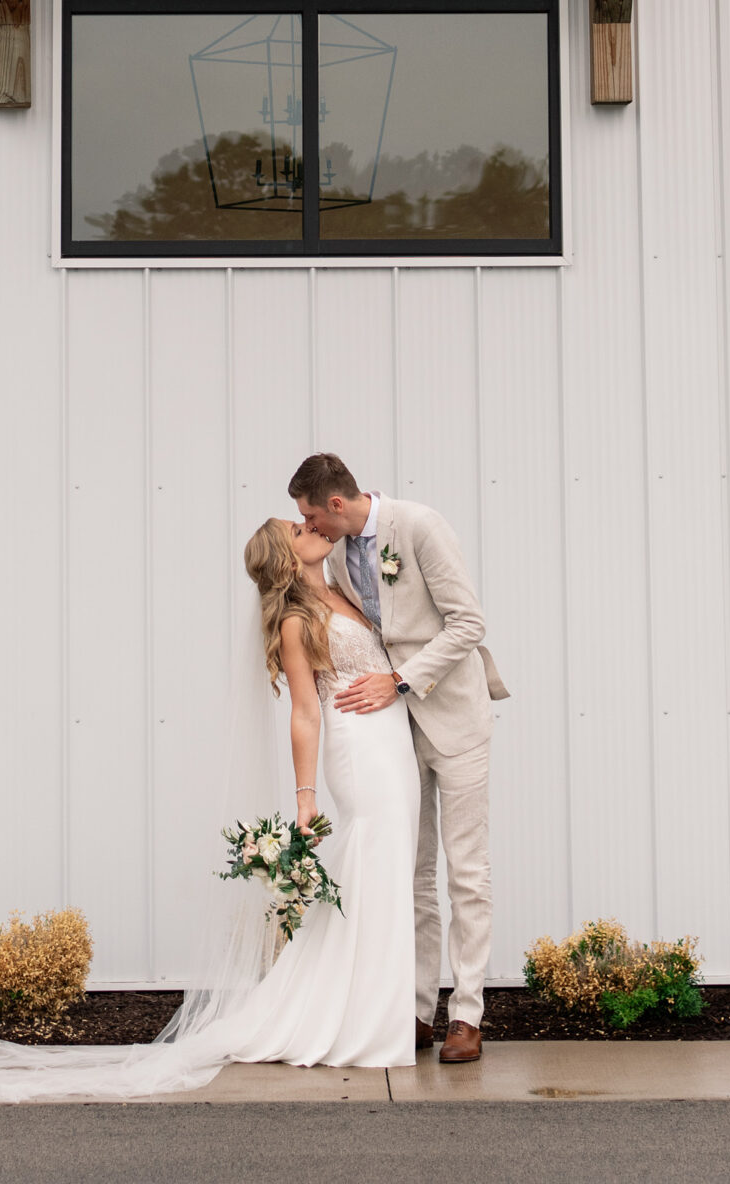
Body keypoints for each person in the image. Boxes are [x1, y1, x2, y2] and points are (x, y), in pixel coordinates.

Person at [0, 510, 423, 1103]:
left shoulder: (340, 583)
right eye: (299, 528)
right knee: (375, 861)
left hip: (391, 739)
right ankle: (363, 1019)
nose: (313, 527)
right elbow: (305, 712)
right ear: (287, 556)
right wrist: (305, 797)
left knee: (387, 870)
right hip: (358, 753)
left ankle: (370, 1005)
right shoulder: (294, 620)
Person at [289, 450, 508, 1068]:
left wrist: (401, 680)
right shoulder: (334, 558)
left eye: (312, 517)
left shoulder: (418, 527)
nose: (311, 529)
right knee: (412, 875)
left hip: (455, 720)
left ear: (336, 504)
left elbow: (468, 623)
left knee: (466, 870)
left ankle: (467, 1015)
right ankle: (416, 1007)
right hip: (393, 736)